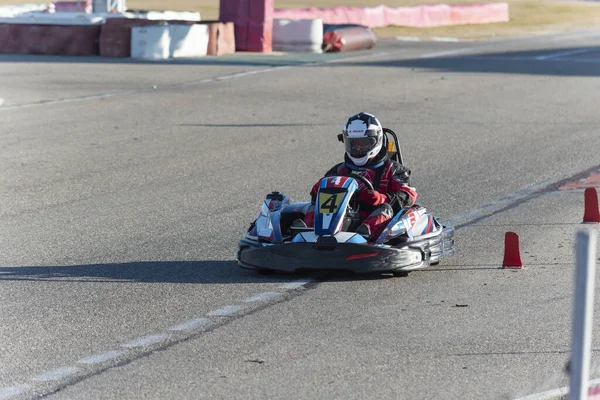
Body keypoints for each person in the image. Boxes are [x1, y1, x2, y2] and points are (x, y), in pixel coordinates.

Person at [302, 112, 418, 241]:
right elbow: (316, 198)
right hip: (342, 217)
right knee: (312, 207)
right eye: (353, 144)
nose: (358, 149)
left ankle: (365, 236)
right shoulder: (339, 170)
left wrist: (382, 199)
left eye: (363, 143)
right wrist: (319, 190)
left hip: (375, 220)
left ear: (377, 140)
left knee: (385, 208)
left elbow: (408, 197)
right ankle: (309, 233)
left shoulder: (394, 170)